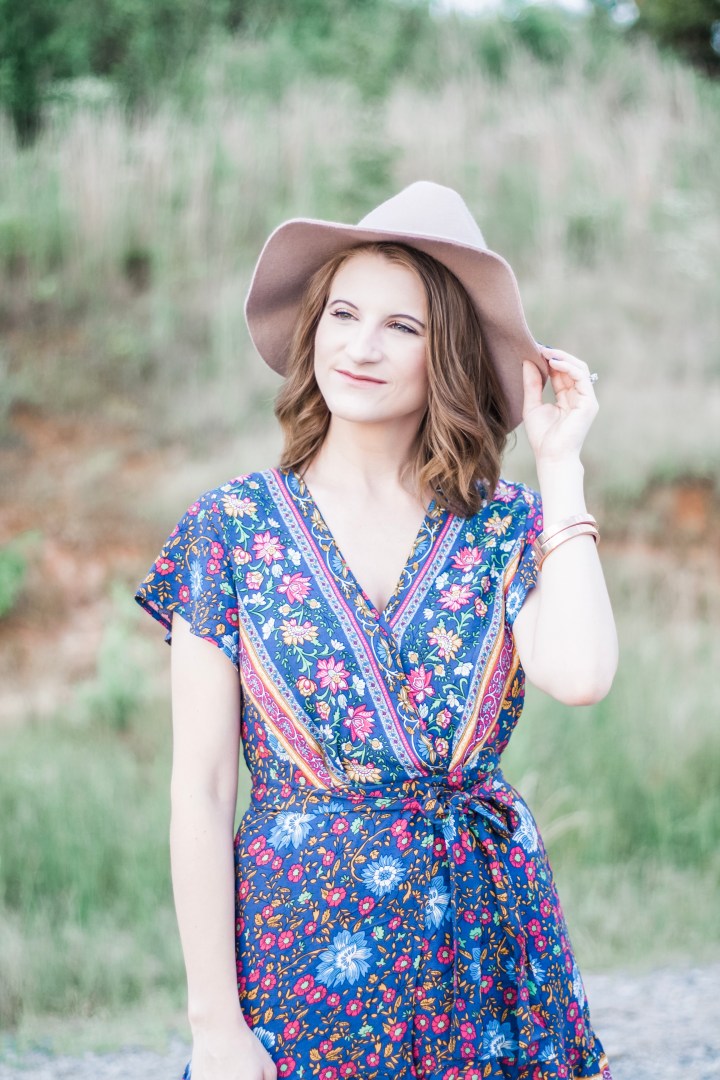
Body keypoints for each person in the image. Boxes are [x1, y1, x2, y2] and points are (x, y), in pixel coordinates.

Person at [135, 180, 618, 1080]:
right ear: (312, 326)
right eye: (344, 313)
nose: (361, 346)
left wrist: (561, 470)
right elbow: (200, 790)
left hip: (486, 955)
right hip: (302, 966)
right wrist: (215, 1026)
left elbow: (582, 673)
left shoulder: (503, 527)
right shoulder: (231, 529)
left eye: (404, 326)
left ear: (453, 355)